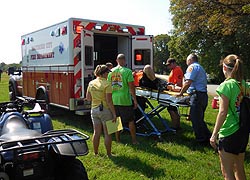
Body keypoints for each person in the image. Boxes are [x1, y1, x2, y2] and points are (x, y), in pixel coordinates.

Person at [210, 54, 249, 180]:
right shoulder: (245, 85)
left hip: (229, 131)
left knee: (227, 172)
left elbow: (223, 112)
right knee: (239, 168)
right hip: (243, 130)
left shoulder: (226, 85)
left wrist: (214, 134)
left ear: (225, 68)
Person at [177, 53, 211, 143]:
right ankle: (208, 137)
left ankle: (201, 140)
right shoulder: (200, 67)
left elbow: (188, 82)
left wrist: (181, 93)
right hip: (203, 95)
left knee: (196, 119)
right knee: (199, 118)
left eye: (187, 60)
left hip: (197, 96)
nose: (186, 62)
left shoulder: (192, 67)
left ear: (190, 60)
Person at [86, 64, 117, 157]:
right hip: (105, 110)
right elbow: (109, 101)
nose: (108, 74)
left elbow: (88, 98)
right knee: (107, 133)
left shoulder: (91, 83)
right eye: (107, 72)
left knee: (96, 132)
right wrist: (114, 114)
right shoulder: (107, 84)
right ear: (103, 73)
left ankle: (95, 153)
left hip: (94, 110)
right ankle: (109, 154)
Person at [108, 53, 138, 144]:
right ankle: (134, 140)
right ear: (124, 61)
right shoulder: (128, 71)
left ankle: (117, 140)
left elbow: (108, 86)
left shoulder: (110, 72)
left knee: (116, 119)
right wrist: (135, 100)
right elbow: (131, 87)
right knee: (130, 120)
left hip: (114, 99)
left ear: (116, 61)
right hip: (125, 99)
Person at [165, 58, 184, 130]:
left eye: (169, 65)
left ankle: (175, 126)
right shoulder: (173, 70)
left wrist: (171, 87)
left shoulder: (177, 70)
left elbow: (178, 83)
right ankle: (177, 126)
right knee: (174, 109)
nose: (168, 67)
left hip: (174, 93)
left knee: (171, 109)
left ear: (173, 63)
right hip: (173, 92)